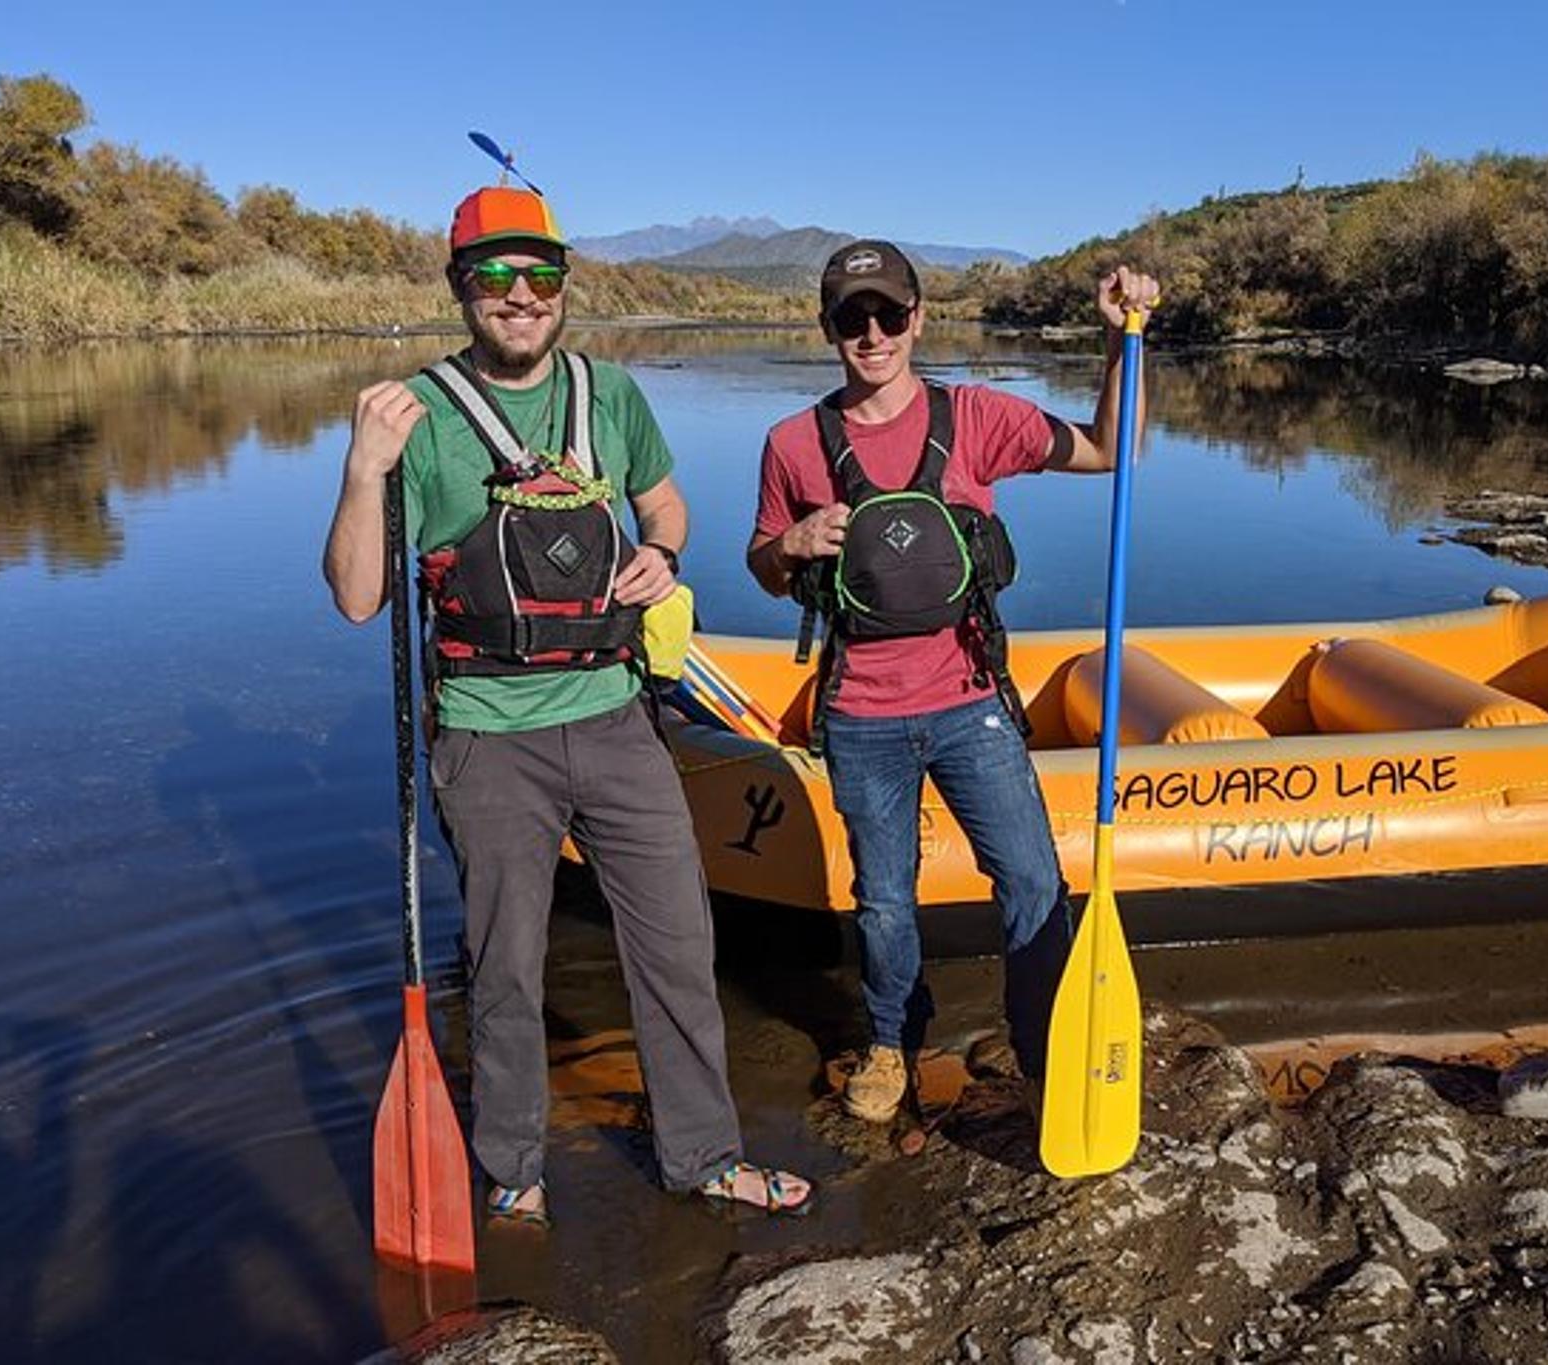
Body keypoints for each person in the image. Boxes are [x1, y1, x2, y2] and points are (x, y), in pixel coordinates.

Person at [322, 183, 809, 1221]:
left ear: (561, 285)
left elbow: (664, 502)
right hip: (488, 738)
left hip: (618, 721)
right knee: (505, 971)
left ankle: (704, 1156)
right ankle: (514, 1173)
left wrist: (662, 555)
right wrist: (363, 473)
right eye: (494, 275)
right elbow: (361, 598)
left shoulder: (612, 394)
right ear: (460, 286)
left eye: (539, 274)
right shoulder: (417, 415)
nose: (520, 295)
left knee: (678, 945)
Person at [748, 240, 1160, 1123]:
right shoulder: (791, 444)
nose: (873, 334)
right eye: (853, 318)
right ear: (828, 329)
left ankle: (1044, 1041)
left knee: (1031, 880)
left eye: (889, 314)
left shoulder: (973, 416)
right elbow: (763, 567)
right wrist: (789, 546)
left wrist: (1126, 341)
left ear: (918, 317)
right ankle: (893, 1043)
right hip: (859, 714)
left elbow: (1107, 450)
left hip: (971, 699)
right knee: (885, 902)